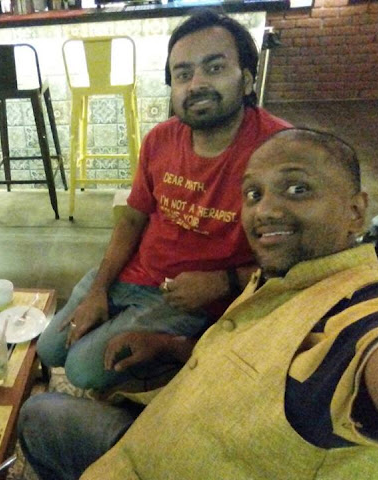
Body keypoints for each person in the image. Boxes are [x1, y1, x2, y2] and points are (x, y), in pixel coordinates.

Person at [21, 128, 378, 479]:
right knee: (42, 382)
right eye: (253, 194)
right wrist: (169, 345)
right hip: (157, 429)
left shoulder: (356, 309)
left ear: (356, 212)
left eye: (298, 189)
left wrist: (222, 281)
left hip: (164, 462)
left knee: (73, 377)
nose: (266, 210)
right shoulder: (275, 277)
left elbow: (366, 351)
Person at [36, 10, 290, 392]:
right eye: (183, 75)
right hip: (133, 274)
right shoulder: (160, 139)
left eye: (215, 68)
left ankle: (175, 359)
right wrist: (99, 289)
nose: (197, 84)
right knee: (48, 348)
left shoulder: (279, 152)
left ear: (248, 79)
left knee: (81, 370)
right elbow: (132, 219)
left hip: (188, 301)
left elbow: (300, 260)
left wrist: (224, 282)